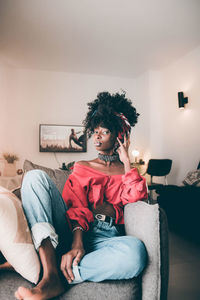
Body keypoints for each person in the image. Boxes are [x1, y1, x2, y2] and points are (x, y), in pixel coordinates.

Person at [15, 91, 148, 300]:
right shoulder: (83, 166)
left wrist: (127, 163)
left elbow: (137, 200)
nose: (96, 136)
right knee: (34, 177)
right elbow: (76, 206)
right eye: (94, 131)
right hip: (72, 231)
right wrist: (77, 242)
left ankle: (67, 272)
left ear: (119, 136)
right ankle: (50, 275)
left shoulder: (127, 173)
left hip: (105, 239)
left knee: (136, 252)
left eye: (103, 132)